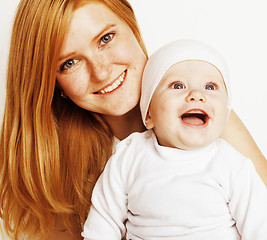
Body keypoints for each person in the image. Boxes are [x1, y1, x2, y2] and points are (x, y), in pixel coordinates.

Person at [0, 0, 266, 239]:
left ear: (132, 25)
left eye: (106, 38)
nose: (102, 72)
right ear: (54, 84)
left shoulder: (204, 117)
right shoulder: (56, 165)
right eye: (69, 63)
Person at [82, 39, 267, 240]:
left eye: (210, 86)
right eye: (178, 85)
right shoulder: (129, 156)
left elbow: (259, 227)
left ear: (225, 114)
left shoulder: (232, 164)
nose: (196, 94)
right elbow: (103, 222)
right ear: (149, 114)